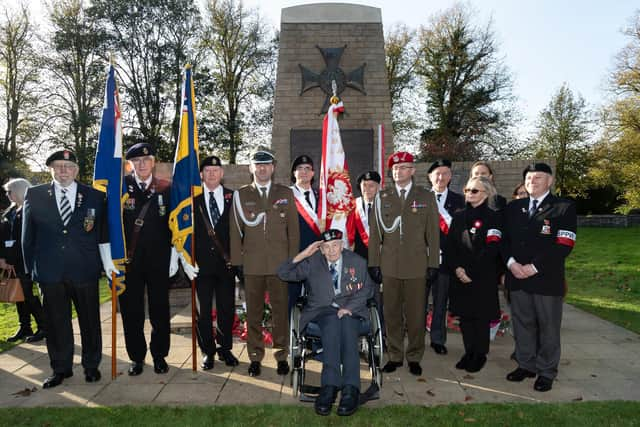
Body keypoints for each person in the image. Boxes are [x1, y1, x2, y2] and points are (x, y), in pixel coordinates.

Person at [22, 150, 106, 388]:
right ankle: (60, 368)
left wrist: (104, 264)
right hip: (50, 272)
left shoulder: (95, 196)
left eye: (68, 166)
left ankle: (91, 366)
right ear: (51, 170)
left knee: (90, 322)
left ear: (76, 170)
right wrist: (31, 271)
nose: (63, 170)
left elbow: (101, 234)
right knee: (56, 323)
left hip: (84, 270)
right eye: (58, 166)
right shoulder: (35, 195)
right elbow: (27, 237)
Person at [277, 229, 373, 417]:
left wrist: (349, 307)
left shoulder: (357, 262)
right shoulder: (312, 262)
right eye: (326, 247)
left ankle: (350, 389)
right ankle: (330, 386)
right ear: (320, 250)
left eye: (335, 245)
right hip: (322, 311)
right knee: (331, 323)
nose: (331, 251)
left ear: (342, 245)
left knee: (345, 323)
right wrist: (304, 254)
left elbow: (367, 289)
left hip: (351, 311)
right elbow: (283, 273)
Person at [502, 163, 577, 392]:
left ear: (550, 181)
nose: (532, 181)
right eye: (529, 178)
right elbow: (503, 240)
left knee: (548, 327)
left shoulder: (563, 207)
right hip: (517, 276)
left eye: (538, 178)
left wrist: (533, 267)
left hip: (546, 279)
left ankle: (546, 371)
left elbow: (564, 244)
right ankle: (526, 364)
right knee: (522, 324)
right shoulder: (514, 207)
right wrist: (512, 264)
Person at [230, 147, 300, 377]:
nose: (262, 169)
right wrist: (237, 262)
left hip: (280, 265)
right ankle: (254, 357)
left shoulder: (285, 193)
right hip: (252, 265)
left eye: (266, 165)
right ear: (251, 168)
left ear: (273, 168)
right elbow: (235, 231)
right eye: (257, 165)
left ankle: (281, 355)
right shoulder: (241, 195)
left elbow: (293, 231)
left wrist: (293, 260)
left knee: (280, 311)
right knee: (254, 314)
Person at [369, 151, 439, 376]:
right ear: (391, 172)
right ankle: (395, 355)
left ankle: (415, 356)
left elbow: (433, 233)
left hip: (417, 266)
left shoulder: (425, 196)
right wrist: (374, 263)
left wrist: (433, 263)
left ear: (412, 171)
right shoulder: (382, 197)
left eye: (404, 167)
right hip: (389, 266)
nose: (399, 171)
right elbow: (375, 234)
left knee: (416, 314)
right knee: (391, 313)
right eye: (396, 168)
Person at [120, 142, 178, 376]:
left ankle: (159, 356)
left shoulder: (166, 188)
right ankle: (136, 357)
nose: (142, 164)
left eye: (146, 160)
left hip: (159, 259)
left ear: (153, 162)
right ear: (130, 164)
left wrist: (175, 254)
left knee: (160, 311)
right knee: (131, 312)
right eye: (137, 161)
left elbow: (176, 224)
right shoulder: (121, 188)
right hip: (129, 261)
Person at [446, 176, 502, 373]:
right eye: (467, 190)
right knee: (466, 317)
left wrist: (471, 272)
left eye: (474, 191)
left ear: (486, 193)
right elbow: (450, 247)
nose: (469, 193)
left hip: (481, 277)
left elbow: (492, 248)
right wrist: (458, 269)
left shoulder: (493, 217)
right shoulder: (459, 216)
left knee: (480, 318)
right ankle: (469, 351)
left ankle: (480, 354)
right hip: (460, 276)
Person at [193, 155, 239, 370]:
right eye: (207, 170)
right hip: (199, 265)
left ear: (222, 173)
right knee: (202, 312)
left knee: (226, 309)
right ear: (201, 174)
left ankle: (225, 348)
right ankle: (207, 352)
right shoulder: (191, 199)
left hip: (226, 265)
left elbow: (240, 231)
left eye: (216, 170)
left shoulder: (233, 197)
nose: (211, 174)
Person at [427, 159, 465, 355]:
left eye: (445, 174)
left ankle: (438, 339)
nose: (440, 178)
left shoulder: (459, 201)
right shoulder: (420, 198)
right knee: (418, 302)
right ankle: (416, 339)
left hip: (446, 261)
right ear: (430, 177)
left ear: (450, 177)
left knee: (440, 301)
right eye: (437, 174)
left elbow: (459, 232)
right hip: (423, 259)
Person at [1, 178, 45, 343]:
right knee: (18, 294)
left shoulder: (32, 208)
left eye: (10, 191)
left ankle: (43, 326)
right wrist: (3, 258)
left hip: (25, 260)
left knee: (28, 295)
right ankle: (25, 327)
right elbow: (4, 236)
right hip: (11, 261)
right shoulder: (11, 211)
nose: (7, 195)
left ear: (19, 191)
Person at [346, 171, 383, 319]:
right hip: (359, 260)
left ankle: (381, 333)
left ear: (379, 187)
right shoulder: (353, 206)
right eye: (364, 186)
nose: (367, 189)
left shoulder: (385, 205)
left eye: (371, 186)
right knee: (358, 296)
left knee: (379, 299)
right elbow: (348, 235)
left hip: (381, 259)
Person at [288, 154, 321, 314]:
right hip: (295, 255)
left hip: (317, 256)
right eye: (299, 169)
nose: (304, 172)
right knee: (291, 299)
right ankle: (290, 337)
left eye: (308, 168)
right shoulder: (286, 195)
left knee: (317, 298)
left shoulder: (321, 196)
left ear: (313, 173)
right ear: (294, 173)